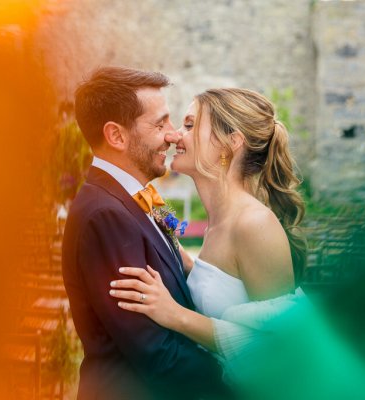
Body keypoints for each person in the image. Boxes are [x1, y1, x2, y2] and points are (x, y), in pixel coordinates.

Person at [109, 88, 365, 400]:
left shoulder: (254, 225)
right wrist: (176, 253)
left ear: (231, 144)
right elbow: (225, 286)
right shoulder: (220, 223)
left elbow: (279, 348)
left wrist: (175, 315)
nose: (176, 135)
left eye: (190, 125)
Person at [61, 67, 232, 400]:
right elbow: (156, 352)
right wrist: (236, 381)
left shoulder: (139, 197)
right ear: (117, 136)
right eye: (160, 123)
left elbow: (175, 252)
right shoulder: (106, 214)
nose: (172, 135)